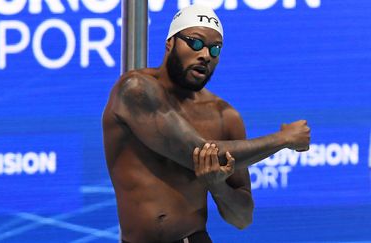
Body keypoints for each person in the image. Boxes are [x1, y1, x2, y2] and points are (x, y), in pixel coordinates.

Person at [102, 4, 310, 243]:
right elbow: (196, 152)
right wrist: (283, 139)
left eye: (215, 49)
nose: (205, 55)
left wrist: (218, 185)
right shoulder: (135, 91)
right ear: (170, 42)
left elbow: (242, 218)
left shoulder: (225, 117)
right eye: (196, 43)